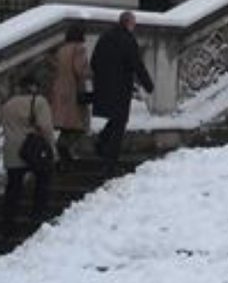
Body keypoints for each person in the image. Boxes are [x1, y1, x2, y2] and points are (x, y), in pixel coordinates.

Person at [91, 11, 154, 175]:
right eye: (134, 23)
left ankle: (102, 142)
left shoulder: (105, 37)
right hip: (120, 88)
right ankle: (109, 164)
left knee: (114, 119)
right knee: (119, 123)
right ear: (129, 23)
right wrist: (148, 85)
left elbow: (94, 61)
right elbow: (136, 64)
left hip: (104, 87)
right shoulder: (128, 39)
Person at [1, 71, 56, 241]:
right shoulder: (38, 102)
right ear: (33, 86)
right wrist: (52, 148)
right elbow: (45, 127)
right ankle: (37, 216)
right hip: (33, 149)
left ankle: (8, 225)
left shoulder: (8, 104)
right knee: (42, 180)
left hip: (12, 150)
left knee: (13, 189)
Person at [49, 22, 92, 165]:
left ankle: (63, 151)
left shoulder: (61, 49)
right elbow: (80, 70)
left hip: (60, 90)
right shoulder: (79, 49)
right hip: (74, 90)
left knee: (66, 124)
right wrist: (92, 73)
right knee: (79, 125)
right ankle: (65, 150)